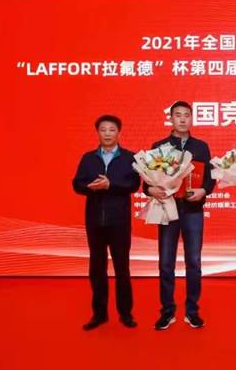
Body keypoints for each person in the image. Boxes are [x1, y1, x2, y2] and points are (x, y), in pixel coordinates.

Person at [144, 101, 215, 330]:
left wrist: (204, 191)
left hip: (193, 211)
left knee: (194, 262)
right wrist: (151, 190)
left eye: (186, 115)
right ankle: (167, 312)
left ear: (191, 119)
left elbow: (210, 179)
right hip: (168, 210)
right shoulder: (159, 147)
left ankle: (192, 312)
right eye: (178, 115)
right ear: (171, 119)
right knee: (166, 263)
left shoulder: (201, 147)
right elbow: (146, 182)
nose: (183, 119)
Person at [72, 115, 141, 331]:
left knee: (122, 268)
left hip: (119, 222)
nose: (108, 133)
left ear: (119, 132)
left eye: (112, 129)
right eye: (103, 130)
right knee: (97, 269)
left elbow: (134, 184)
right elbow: (77, 184)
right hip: (95, 221)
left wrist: (111, 184)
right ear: (98, 133)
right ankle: (99, 314)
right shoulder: (88, 158)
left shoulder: (129, 157)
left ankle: (126, 314)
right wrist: (89, 187)